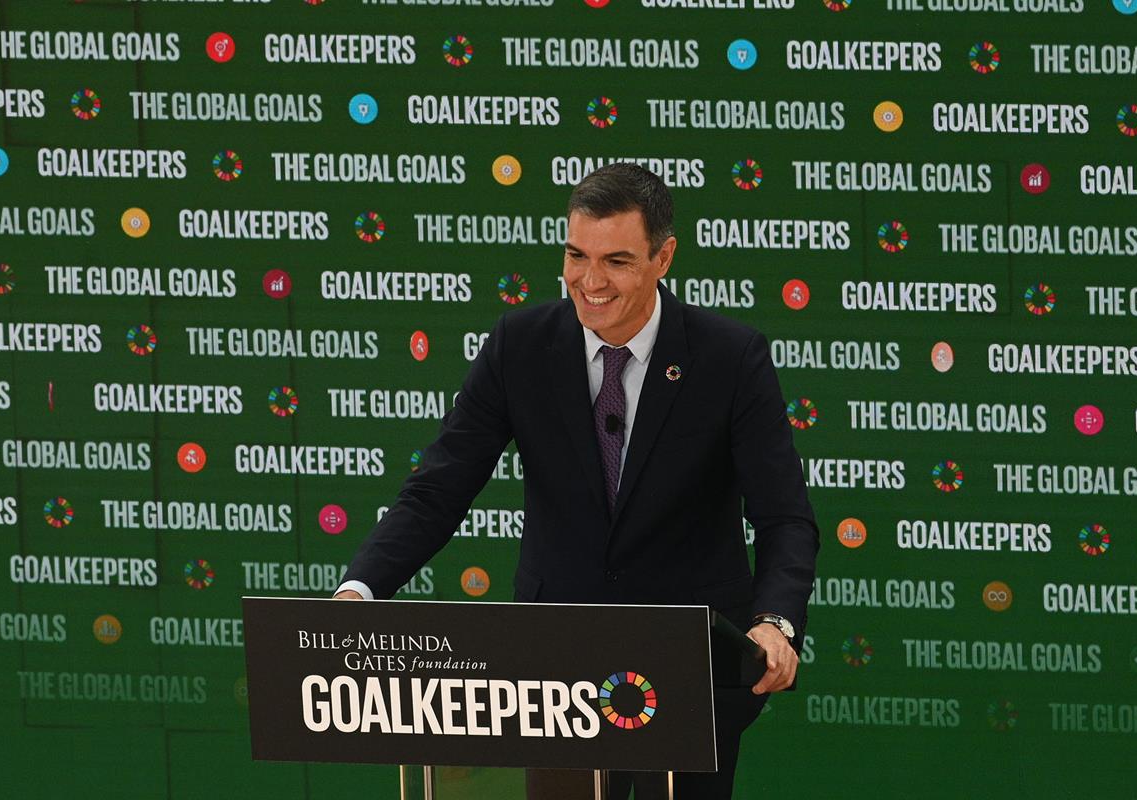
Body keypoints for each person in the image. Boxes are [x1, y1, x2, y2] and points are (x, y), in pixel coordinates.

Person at [334, 163, 819, 799]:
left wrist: (774, 623)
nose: (590, 282)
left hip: (687, 673)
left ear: (663, 257)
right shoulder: (520, 345)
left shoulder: (729, 357)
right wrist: (360, 591)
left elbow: (784, 516)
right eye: (575, 255)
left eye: (617, 261)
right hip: (552, 676)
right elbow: (439, 488)